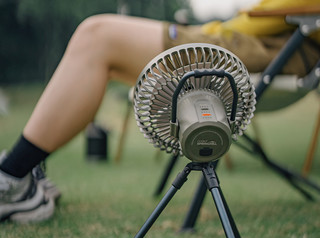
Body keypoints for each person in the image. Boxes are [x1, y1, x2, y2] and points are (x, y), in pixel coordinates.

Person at [1, 0, 319, 223]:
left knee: (96, 36)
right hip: (248, 37)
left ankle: (14, 176)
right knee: (96, 38)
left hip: (272, 45)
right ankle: (25, 172)